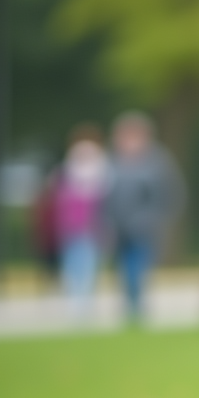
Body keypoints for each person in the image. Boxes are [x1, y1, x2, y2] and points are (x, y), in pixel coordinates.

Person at [103, 112, 183, 322]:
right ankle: (131, 305)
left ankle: (135, 307)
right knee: (124, 268)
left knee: (137, 267)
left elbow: (170, 193)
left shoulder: (157, 161)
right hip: (119, 227)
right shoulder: (112, 161)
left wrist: (156, 218)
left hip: (144, 227)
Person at [53, 126, 109, 316]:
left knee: (87, 263)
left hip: (91, 228)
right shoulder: (68, 170)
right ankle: (77, 299)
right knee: (74, 263)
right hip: (72, 227)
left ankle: (83, 300)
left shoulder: (101, 171)